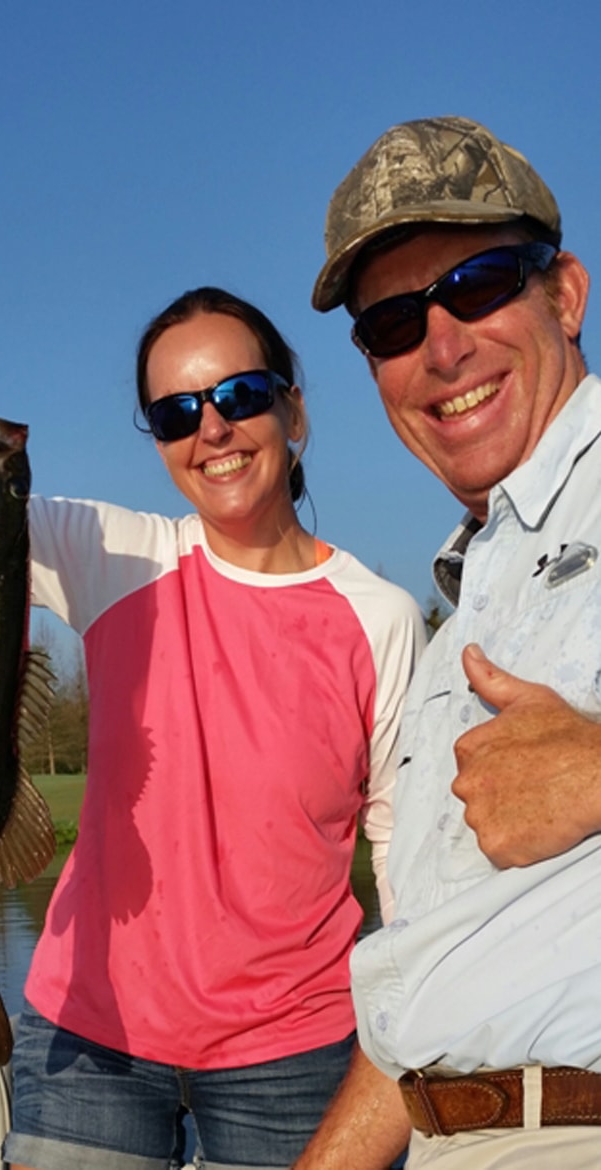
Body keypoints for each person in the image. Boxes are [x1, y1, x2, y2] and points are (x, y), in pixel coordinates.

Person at [0, 287, 424, 1169]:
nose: (212, 429)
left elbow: (398, 856)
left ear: (294, 409)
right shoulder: (117, 556)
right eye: (175, 414)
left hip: (299, 1055)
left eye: (238, 396)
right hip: (89, 1038)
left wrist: (404, 1037)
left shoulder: (383, 618)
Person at [292, 115, 601, 1169]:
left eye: (477, 283)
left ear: (564, 291)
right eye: (390, 323)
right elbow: (429, 999)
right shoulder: (452, 623)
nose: (441, 344)